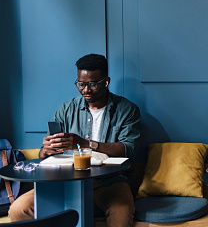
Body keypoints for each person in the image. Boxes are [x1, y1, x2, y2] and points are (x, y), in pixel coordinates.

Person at [9, 54, 141, 227]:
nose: (85, 90)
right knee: (18, 209)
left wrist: (86, 144)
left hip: (110, 181)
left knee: (122, 213)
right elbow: (44, 154)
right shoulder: (65, 109)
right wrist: (46, 150)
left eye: (92, 84)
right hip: (67, 180)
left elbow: (129, 149)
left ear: (106, 81)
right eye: (81, 84)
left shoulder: (127, 110)